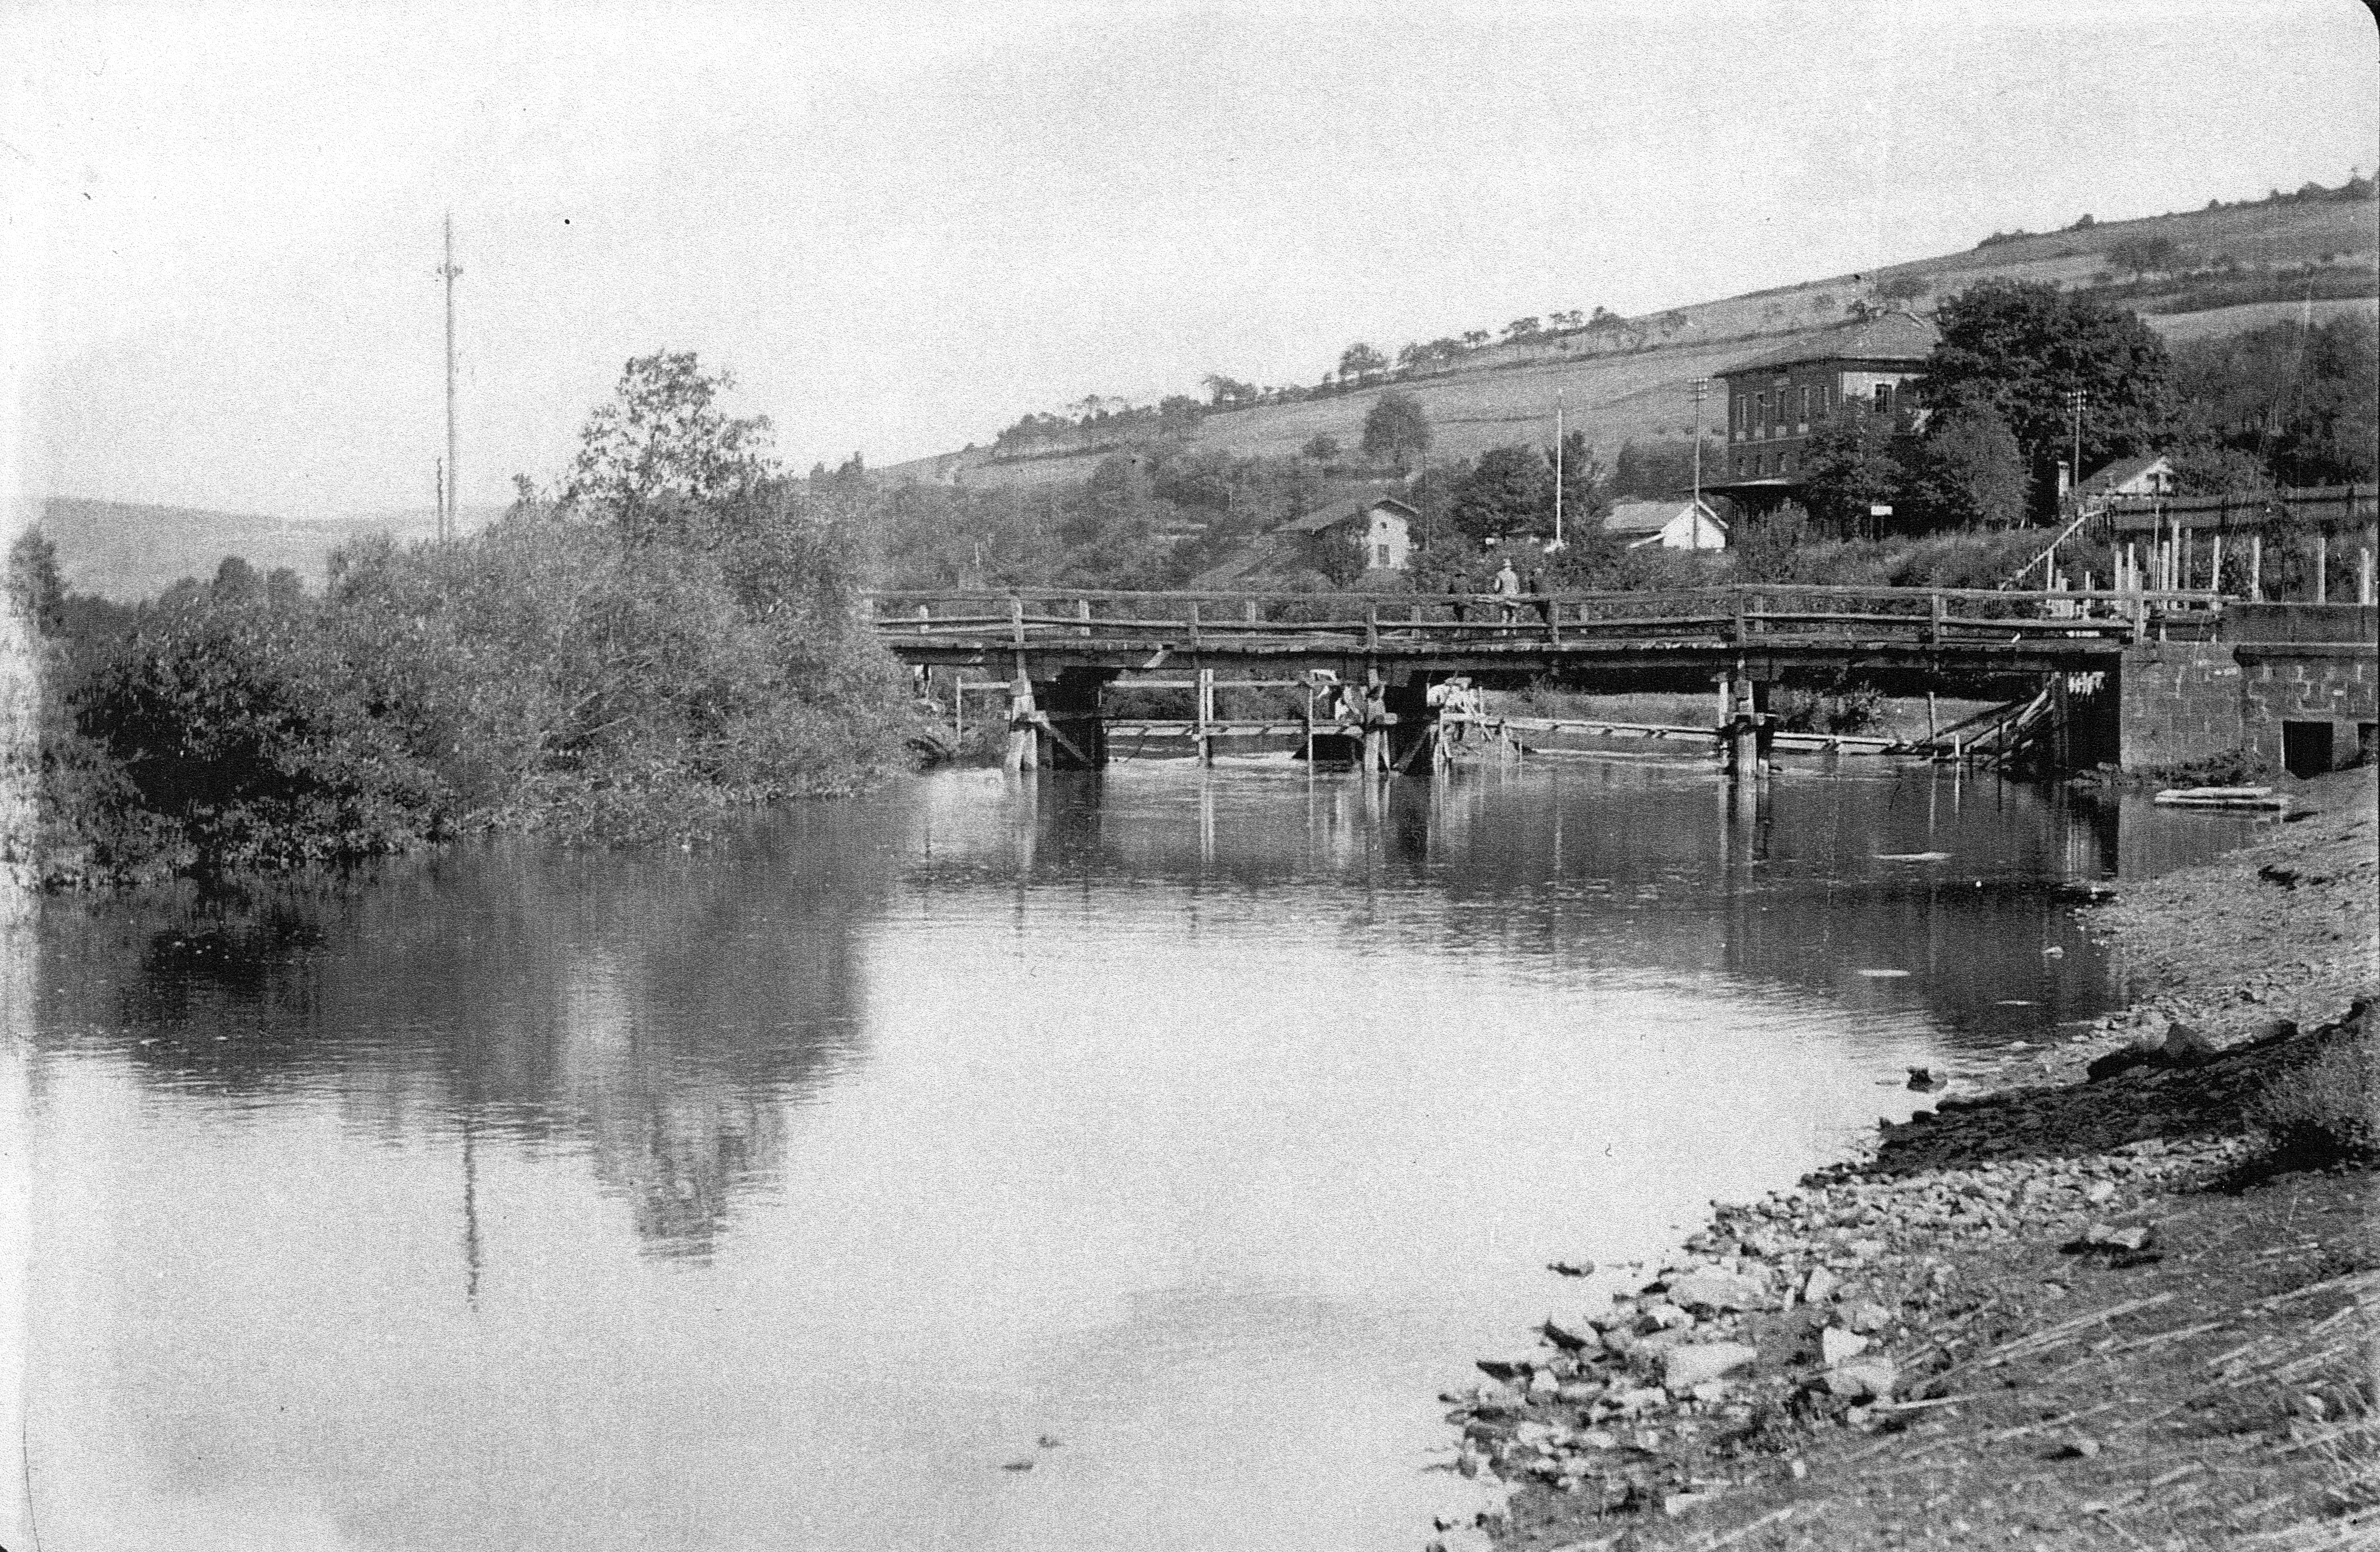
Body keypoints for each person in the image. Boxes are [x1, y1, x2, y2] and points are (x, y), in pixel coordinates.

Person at [1493, 558, 1522, 624]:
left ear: (1503, 565)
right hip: (1513, 597)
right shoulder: (1514, 575)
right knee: (1513, 616)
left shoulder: (1500, 574)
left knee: (1504, 616)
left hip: (1504, 598)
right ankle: (1514, 633)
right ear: (1510, 566)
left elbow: (1496, 588)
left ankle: (1504, 634)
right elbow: (1517, 588)